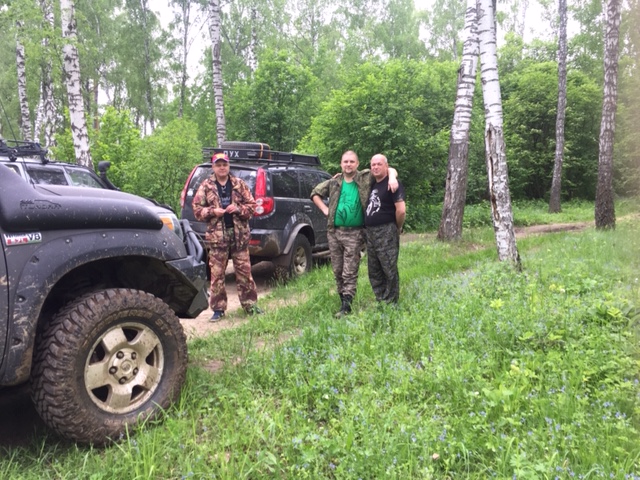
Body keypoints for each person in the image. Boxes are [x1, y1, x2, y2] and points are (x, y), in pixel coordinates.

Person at [311, 150, 397, 317]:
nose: (348, 164)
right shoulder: (334, 182)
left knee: (350, 269)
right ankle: (342, 298)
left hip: (355, 232)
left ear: (357, 164)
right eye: (345, 162)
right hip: (334, 232)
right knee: (337, 269)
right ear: (341, 164)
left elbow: (389, 169)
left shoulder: (365, 177)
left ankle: (346, 306)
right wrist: (325, 210)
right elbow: (314, 193)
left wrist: (392, 178)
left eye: (351, 161)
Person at [192, 152, 263, 321]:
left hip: (239, 236)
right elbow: (197, 210)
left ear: (228, 166)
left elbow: (252, 206)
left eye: (224, 164)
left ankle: (250, 305)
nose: (222, 167)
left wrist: (238, 209)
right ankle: (218, 309)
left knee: (245, 273)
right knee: (217, 275)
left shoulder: (239, 184)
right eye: (218, 165)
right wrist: (212, 211)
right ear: (213, 167)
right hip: (217, 238)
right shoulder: (206, 186)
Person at [364, 154, 406, 305]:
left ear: (386, 166)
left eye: (379, 164)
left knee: (388, 267)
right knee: (374, 269)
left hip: (386, 230)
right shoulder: (372, 184)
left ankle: (391, 303)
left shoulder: (393, 184)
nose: (375, 167)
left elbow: (401, 210)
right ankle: (380, 299)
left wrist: (397, 227)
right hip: (370, 233)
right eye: (373, 164)